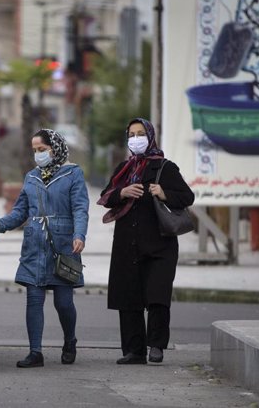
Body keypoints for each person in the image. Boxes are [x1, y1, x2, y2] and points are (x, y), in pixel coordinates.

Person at [0, 129, 89, 367]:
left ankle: (70, 340)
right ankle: (35, 352)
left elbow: (80, 208)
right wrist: (0, 225)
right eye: (35, 151)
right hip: (34, 246)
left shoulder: (73, 174)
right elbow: (21, 211)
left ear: (55, 148)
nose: (38, 155)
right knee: (33, 298)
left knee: (63, 302)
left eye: (42, 150)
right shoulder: (31, 177)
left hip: (63, 245)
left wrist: (79, 234)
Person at [97, 118, 194, 365]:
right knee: (128, 297)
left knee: (157, 296)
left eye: (141, 133)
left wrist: (164, 193)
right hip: (127, 244)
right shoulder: (124, 168)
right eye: (132, 134)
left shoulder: (165, 167)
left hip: (160, 244)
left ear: (150, 136)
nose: (136, 138)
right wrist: (123, 192)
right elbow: (106, 197)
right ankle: (134, 350)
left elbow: (187, 196)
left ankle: (157, 346)